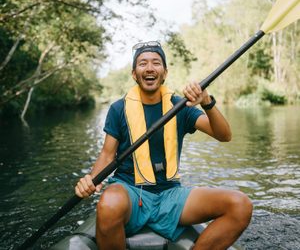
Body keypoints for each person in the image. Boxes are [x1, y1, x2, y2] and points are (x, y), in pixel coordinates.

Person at [75, 41, 252, 250]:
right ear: (134, 74)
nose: (149, 68)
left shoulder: (181, 106)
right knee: (110, 201)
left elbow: (224, 135)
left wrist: (206, 101)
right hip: (130, 192)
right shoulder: (118, 109)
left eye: (156, 63)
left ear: (165, 72)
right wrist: (91, 181)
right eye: (143, 63)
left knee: (240, 205)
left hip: (170, 195)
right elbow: (107, 155)